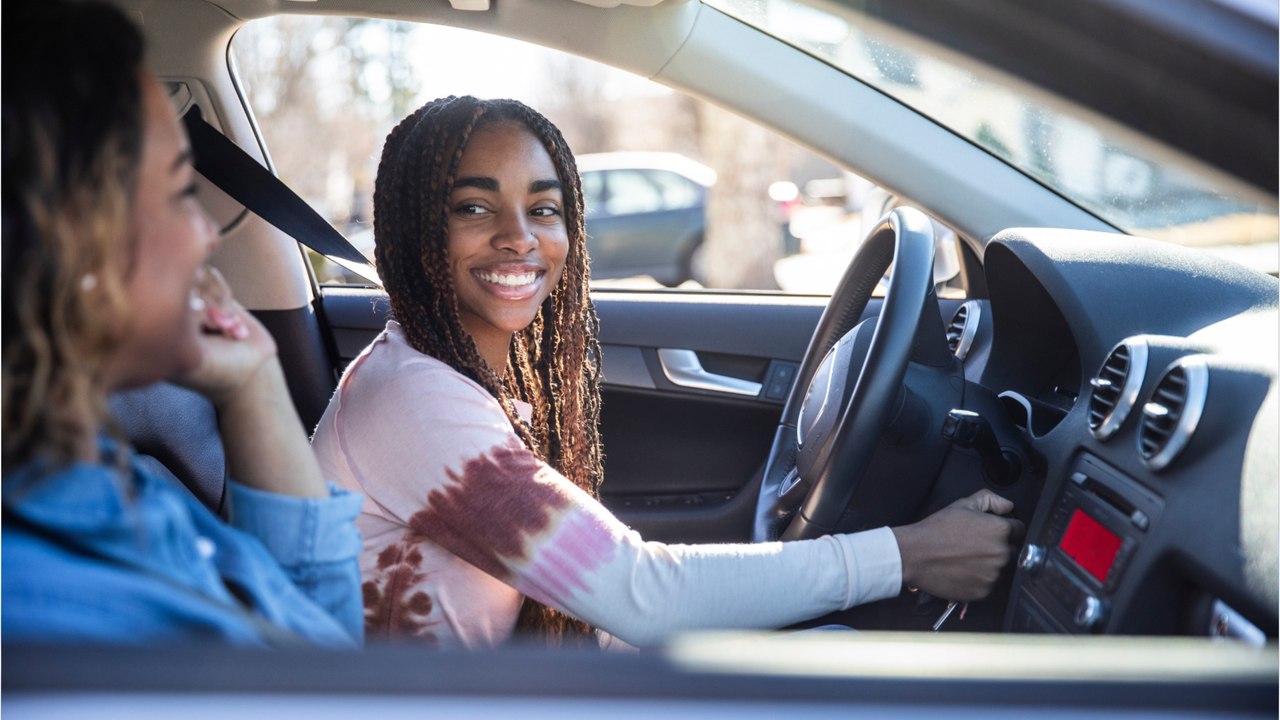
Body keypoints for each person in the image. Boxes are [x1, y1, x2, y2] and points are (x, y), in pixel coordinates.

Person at [311, 95, 1022, 649]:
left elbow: (612, 609)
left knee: (833, 659)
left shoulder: (441, 377)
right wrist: (908, 555)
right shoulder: (412, 400)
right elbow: (638, 593)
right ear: (413, 228)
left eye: (544, 208)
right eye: (474, 206)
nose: (520, 236)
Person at [2, 0, 363, 647]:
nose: (205, 235)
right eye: (178, 194)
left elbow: (317, 650)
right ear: (72, 240)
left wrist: (251, 379)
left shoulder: (96, 471)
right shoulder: (55, 617)